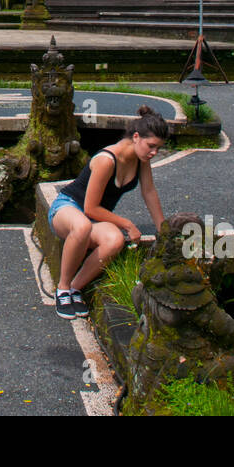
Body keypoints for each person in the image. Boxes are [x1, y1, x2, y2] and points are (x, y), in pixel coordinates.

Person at [48, 105, 168, 319]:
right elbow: (89, 207)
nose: (154, 153)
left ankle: (76, 288)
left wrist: (164, 231)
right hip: (68, 208)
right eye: (151, 146)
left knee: (115, 241)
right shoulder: (107, 159)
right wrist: (127, 224)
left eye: (158, 148)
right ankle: (63, 288)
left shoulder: (142, 160)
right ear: (137, 137)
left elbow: (149, 192)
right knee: (82, 226)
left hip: (93, 219)